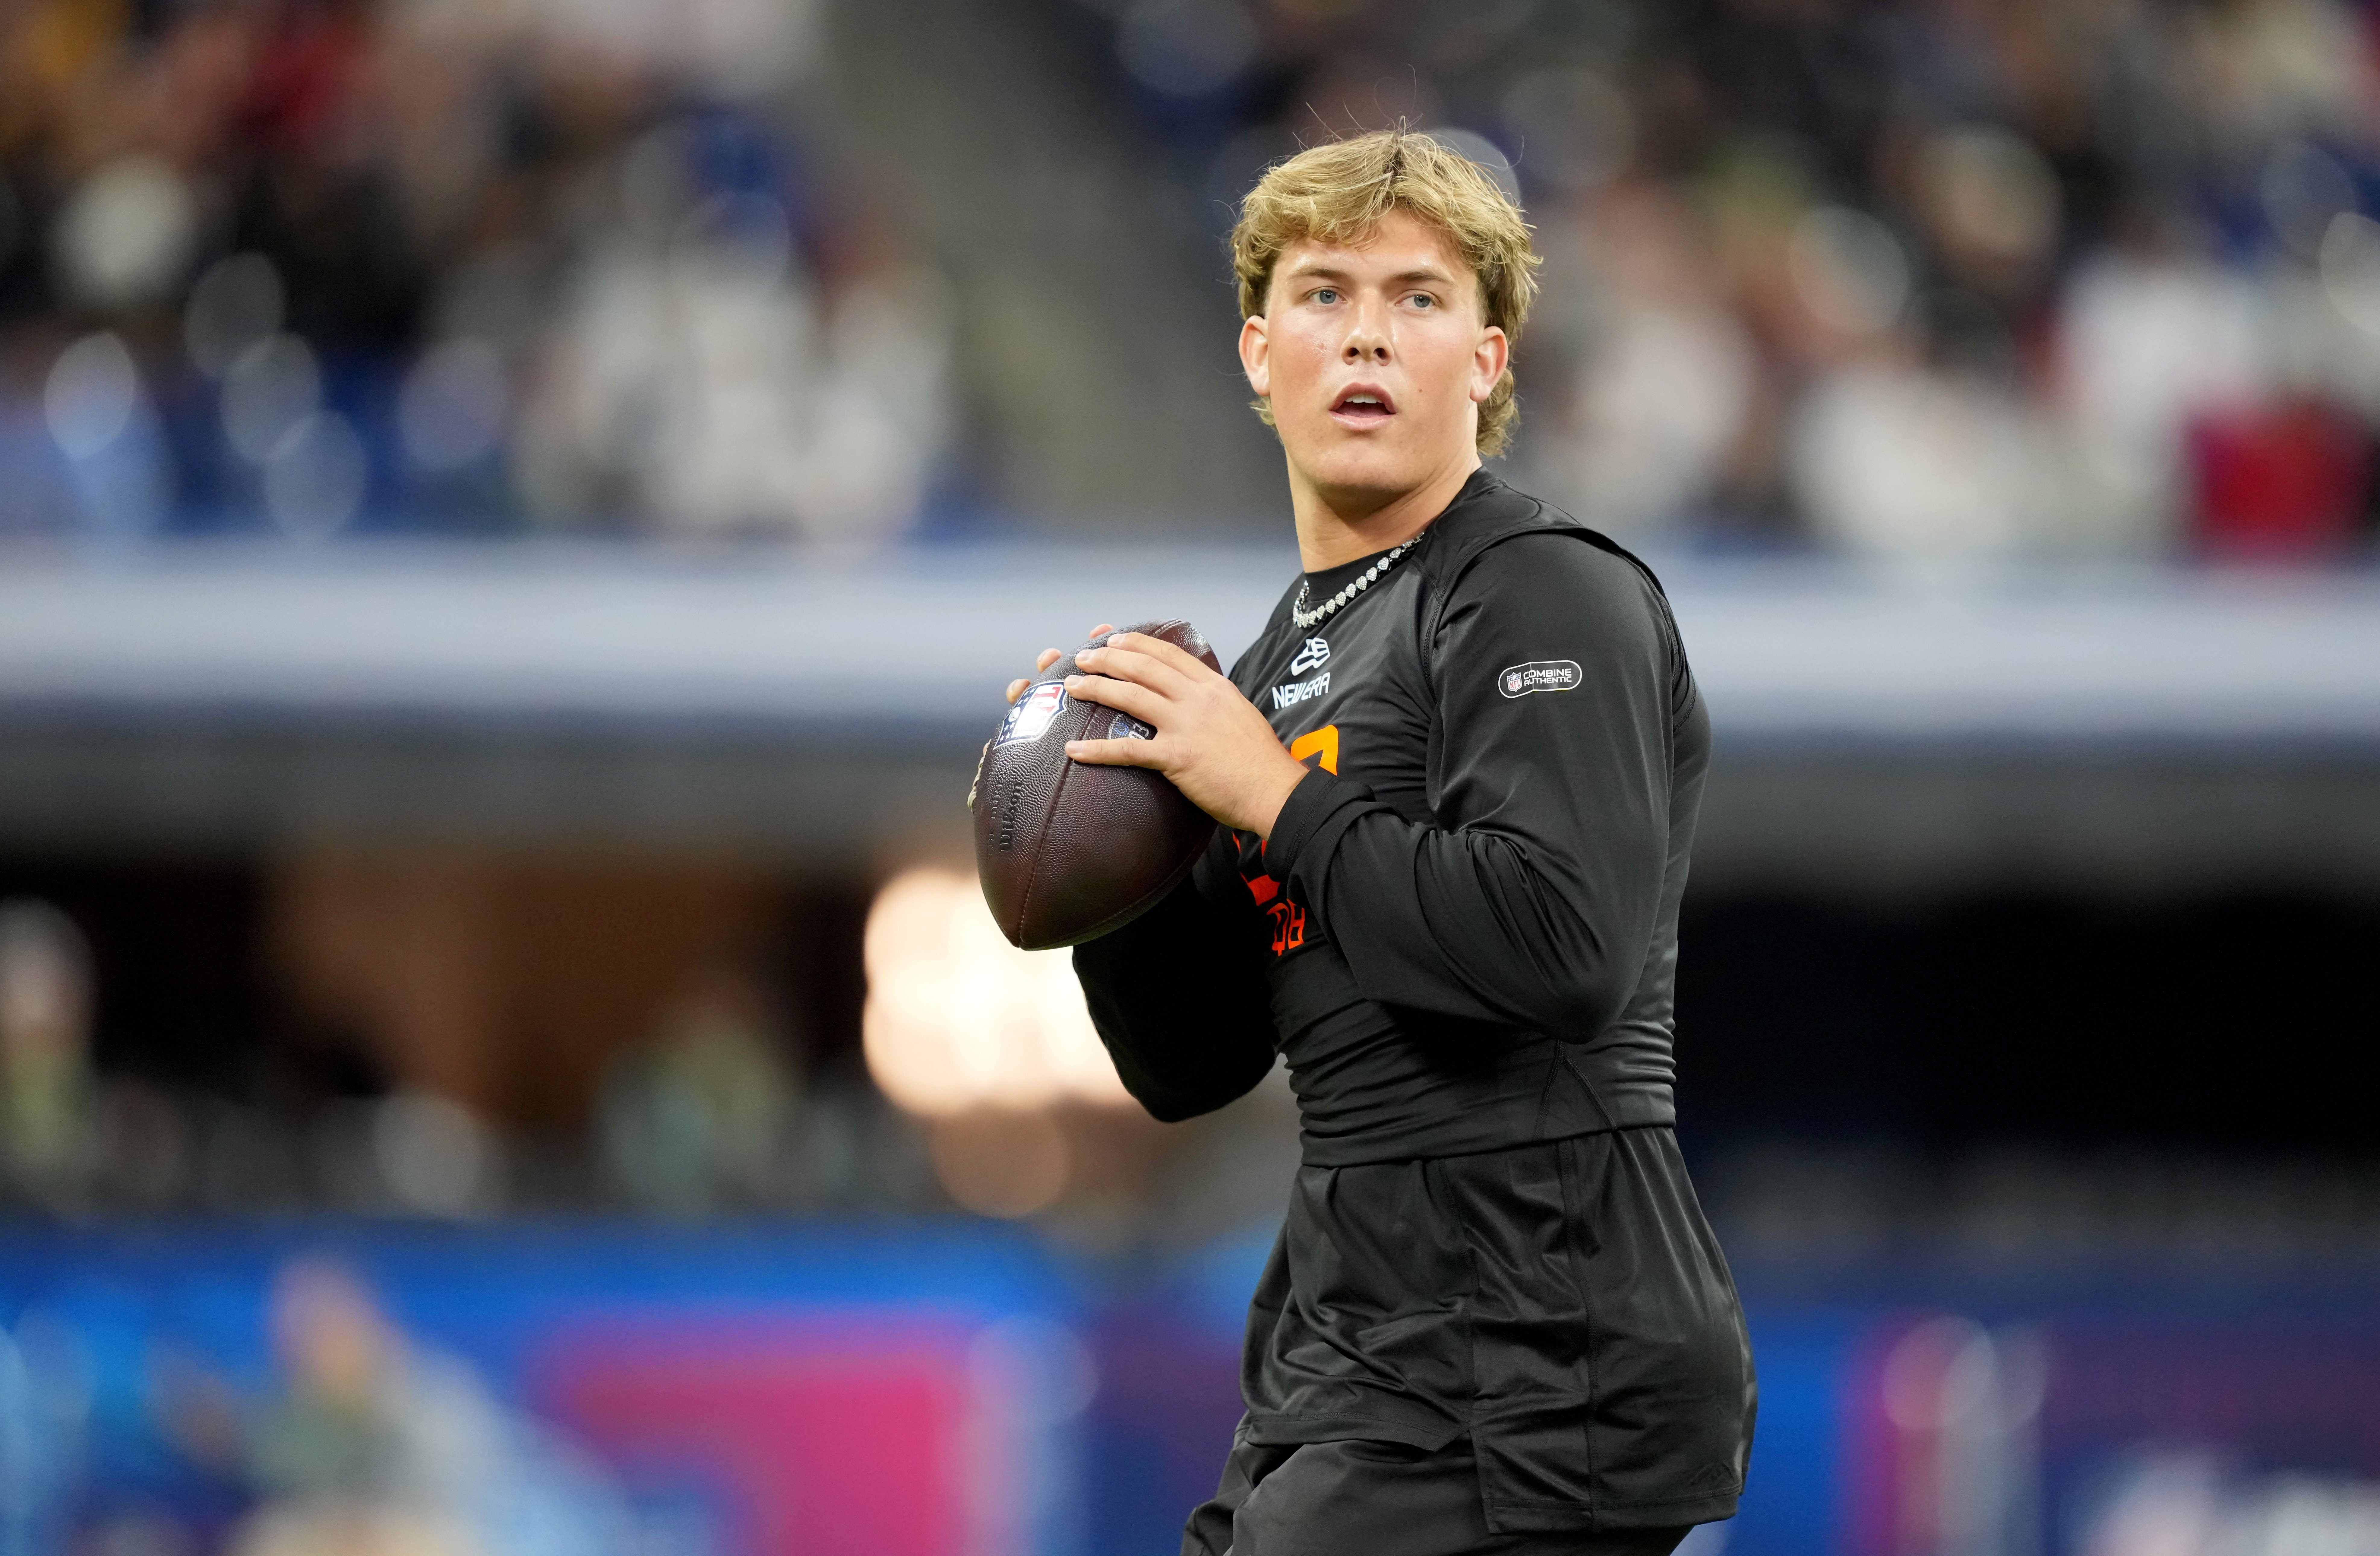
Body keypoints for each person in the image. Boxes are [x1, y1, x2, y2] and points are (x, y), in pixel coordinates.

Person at [1003, 130, 1756, 1555]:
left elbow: (1562, 946)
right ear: (1255, 351)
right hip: (1364, 1343)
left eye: (1419, 298)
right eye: (1325, 294)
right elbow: (1196, 1064)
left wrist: (1273, 797)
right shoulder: (1286, 660)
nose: (1368, 335)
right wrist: (1105, 853)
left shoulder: (1540, 595)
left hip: (1545, 1335)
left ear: (1487, 360)